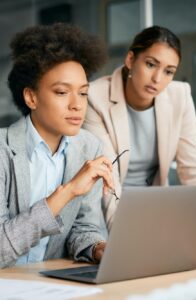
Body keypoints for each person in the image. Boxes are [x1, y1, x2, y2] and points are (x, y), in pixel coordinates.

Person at [0, 23, 115, 269]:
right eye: (62, 92)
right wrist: (68, 191)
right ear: (31, 97)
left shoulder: (89, 147)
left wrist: (97, 248)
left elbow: (82, 228)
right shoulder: (2, 151)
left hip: (51, 284)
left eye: (83, 93)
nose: (77, 105)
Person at [83, 26, 196, 229]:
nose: (158, 79)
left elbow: (192, 167)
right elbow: (107, 179)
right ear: (130, 60)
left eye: (169, 72)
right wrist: (125, 234)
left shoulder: (180, 96)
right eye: (151, 64)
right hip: (107, 217)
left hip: (158, 212)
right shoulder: (96, 97)